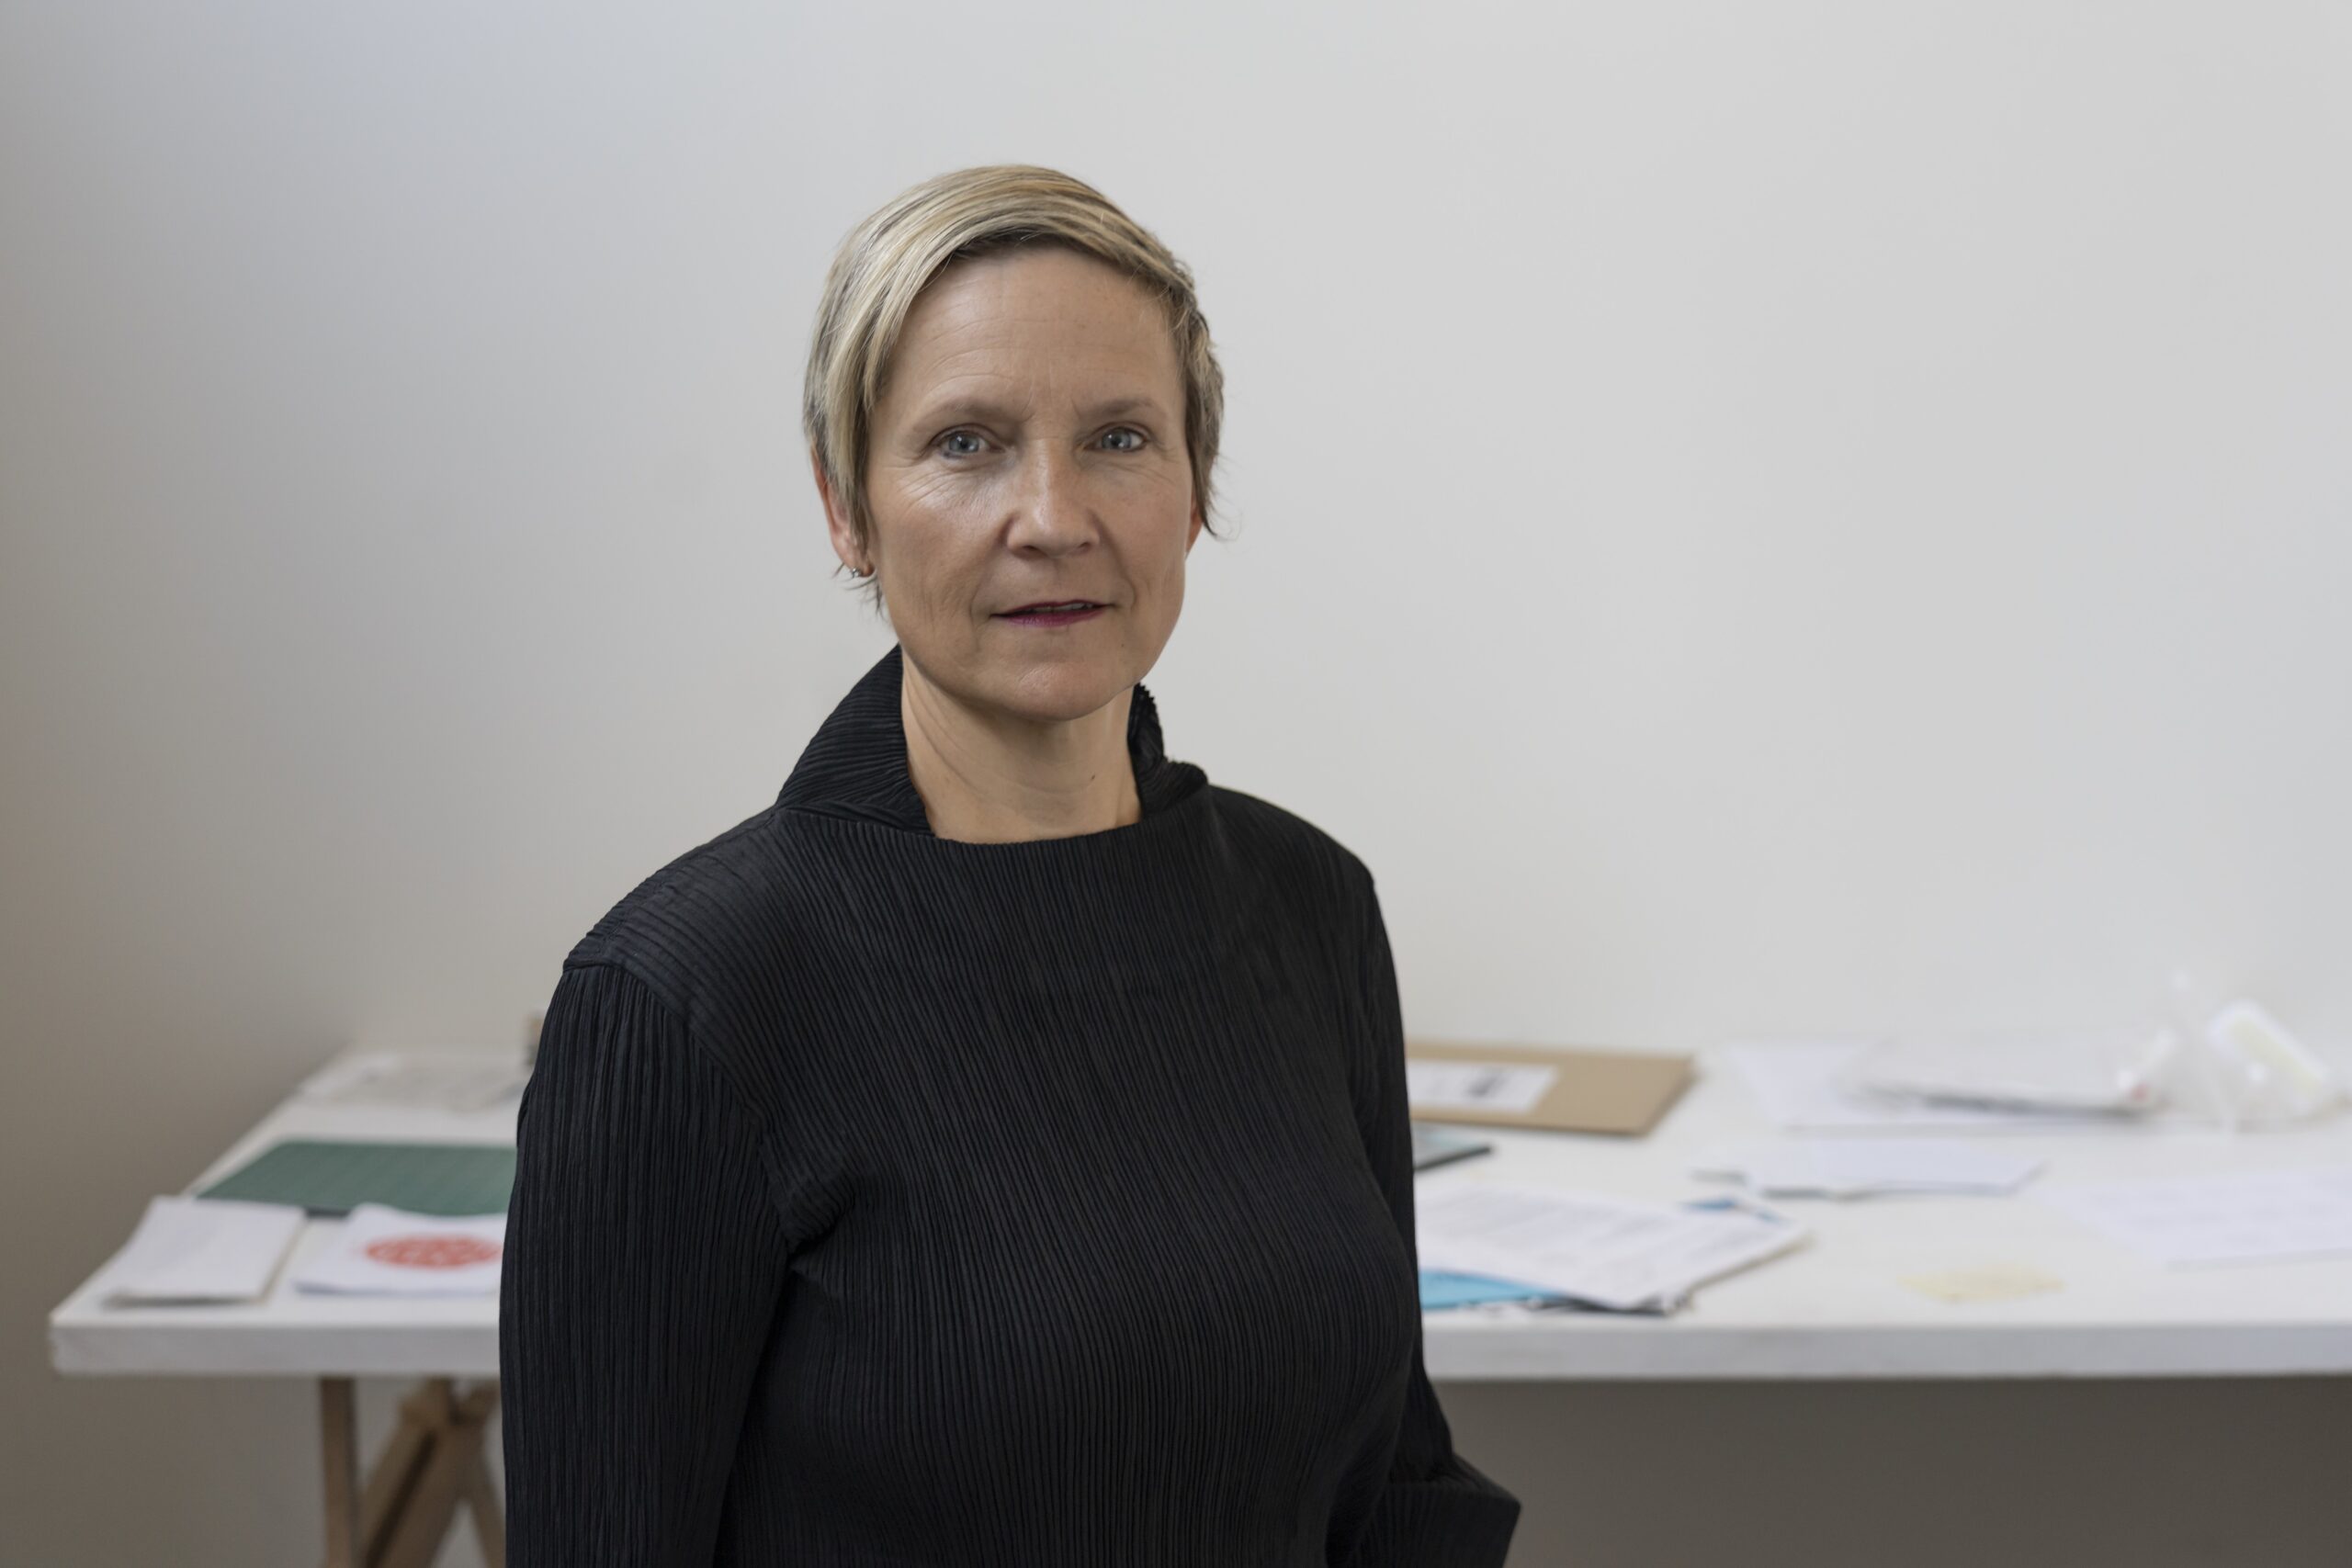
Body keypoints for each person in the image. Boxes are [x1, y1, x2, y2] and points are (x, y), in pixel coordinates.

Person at [499, 164, 1522, 1566]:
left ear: (1195, 491)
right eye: (966, 443)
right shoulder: (682, 998)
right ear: (848, 509)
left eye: (1119, 438)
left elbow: (1395, 1481)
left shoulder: (1310, 907)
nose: (1051, 516)